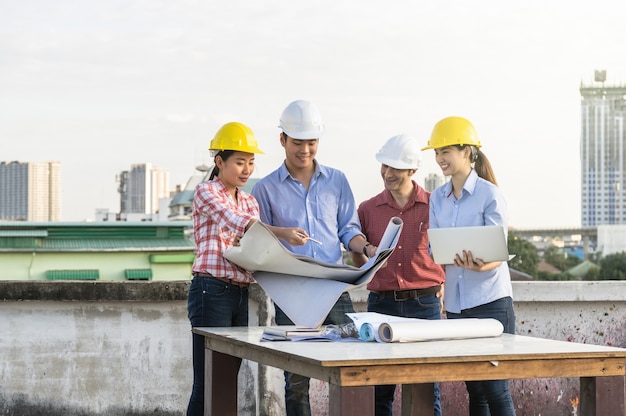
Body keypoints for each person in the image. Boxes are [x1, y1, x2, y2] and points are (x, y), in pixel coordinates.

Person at [251, 99, 373, 416]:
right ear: (282, 140)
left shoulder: (338, 181)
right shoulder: (264, 189)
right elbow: (258, 241)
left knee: (351, 369)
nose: (305, 150)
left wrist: (367, 248)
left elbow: (348, 229)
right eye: (298, 143)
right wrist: (283, 234)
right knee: (296, 380)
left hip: (334, 288)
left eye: (311, 142)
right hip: (292, 294)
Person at [186, 121, 306, 416]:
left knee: (228, 378)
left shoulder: (250, 201)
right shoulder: (206, 192)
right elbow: (235, 221)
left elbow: (255, 247)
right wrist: (283, 233)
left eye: (251, 162)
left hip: (239, 293)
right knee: (207, 380)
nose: (246, 169)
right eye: (239, 162)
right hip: (210, 290)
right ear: (219, 161)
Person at [422, 116, 516, 416]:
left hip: (491, 302)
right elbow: (434, 246)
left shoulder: (490, 194)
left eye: (445, 151)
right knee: (474, 390)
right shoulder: (437, 198)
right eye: (436, 152)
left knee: (496, 390)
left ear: (467, 152)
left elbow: (499, 252)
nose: (439, 159)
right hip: (457, 306)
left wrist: (480, 264)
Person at [352, 134, 445, 416]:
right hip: (381, 305)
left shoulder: (435, 205)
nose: (387, 174)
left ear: (412, 170)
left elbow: (448, 254)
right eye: (384, 166)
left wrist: (444, 284)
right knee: (380, 392)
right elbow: (359, 259)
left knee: (427, 392)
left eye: (395, 168)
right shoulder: (368, 209)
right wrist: (366, 257)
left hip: (425, 305)